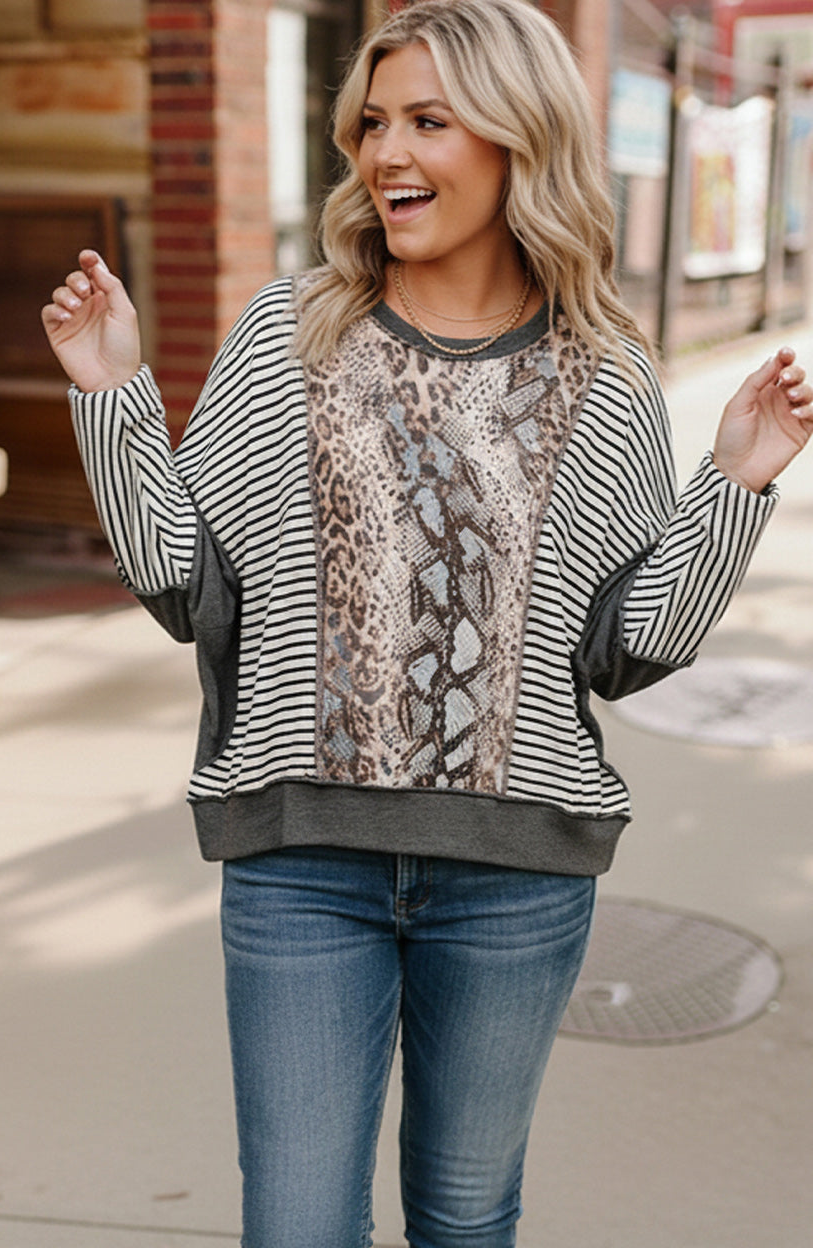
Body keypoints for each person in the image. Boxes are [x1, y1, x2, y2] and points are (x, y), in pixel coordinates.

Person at [42, 2, 812, 1245]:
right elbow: (189, 585)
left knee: (463, 1214)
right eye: (373, 122)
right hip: (301, 865)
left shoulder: (603, 371)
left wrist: (733, 482)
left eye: (428, 122)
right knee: (297, 1225)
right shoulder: (288, 333)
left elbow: (627, 650)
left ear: (518, 138)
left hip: (515, 880)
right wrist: (112, 395)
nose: (385, 152)